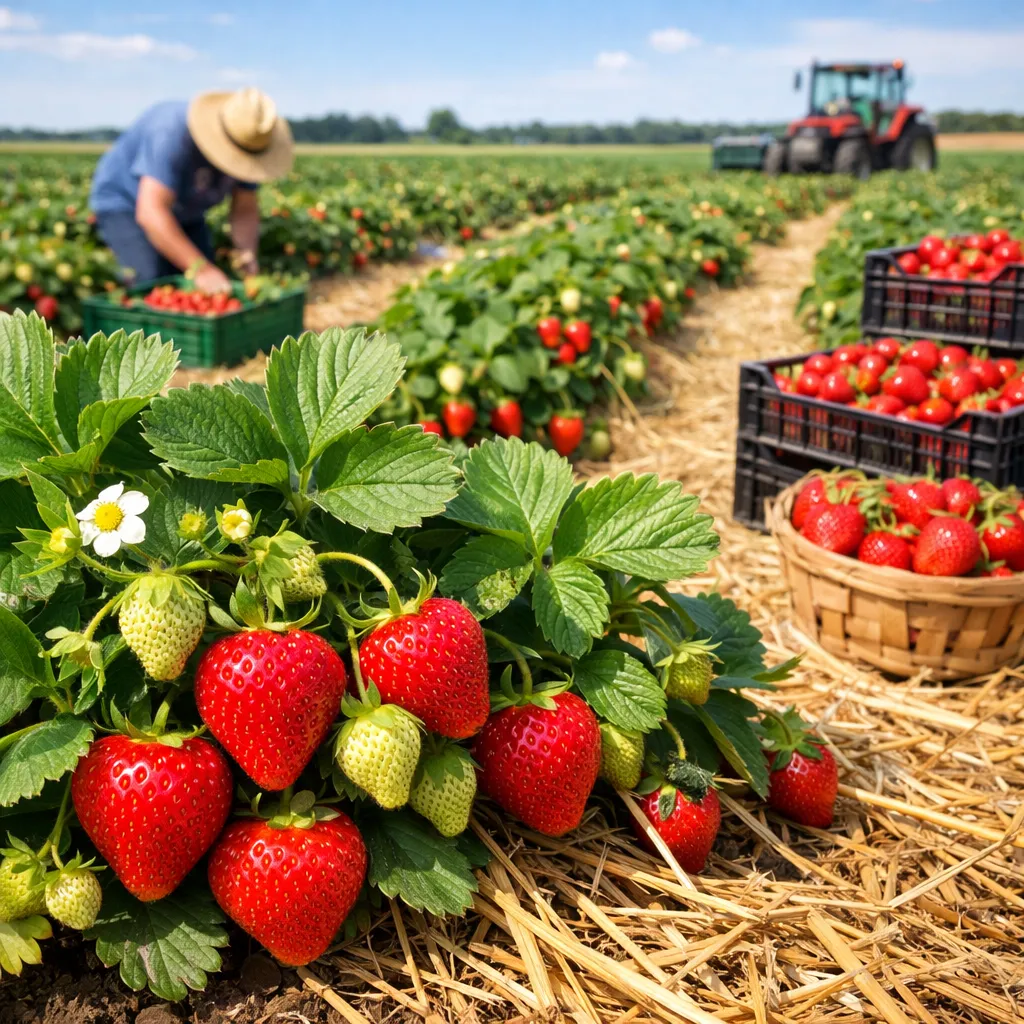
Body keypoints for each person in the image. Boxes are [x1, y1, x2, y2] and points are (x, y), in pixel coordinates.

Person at [89, 87, 294, 292]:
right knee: (149, 281)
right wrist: (202, 270)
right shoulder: (170, 131)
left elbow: (244, 208)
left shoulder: (250, 145)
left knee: (200, 286)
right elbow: (151, 211)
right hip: (127, 204)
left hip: (187, 210)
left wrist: (246, 253)